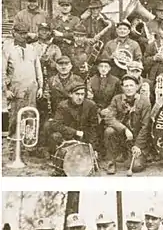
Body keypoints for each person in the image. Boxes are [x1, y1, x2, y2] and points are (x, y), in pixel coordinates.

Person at [2, 22, 43, 151]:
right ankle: (14, 145)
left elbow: (38, 68)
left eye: (25, 33)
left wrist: (40, 86)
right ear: (13, 33)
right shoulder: (7, 49)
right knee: (15, 115)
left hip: (32, 87)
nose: (23, 36)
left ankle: (29, 144)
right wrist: (6, 90)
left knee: (31, 114)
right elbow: (2, 70)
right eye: (20, 33)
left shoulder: (32, 49)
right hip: (16, 87)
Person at [101, 74, 151, 174]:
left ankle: (128, 155)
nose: (129, 88)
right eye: (126, 86)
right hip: (121, 137)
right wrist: (124, 129)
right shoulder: (117, 99)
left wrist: (138, 146)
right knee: (109, 131)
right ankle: (111, 162)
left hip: (136, 139)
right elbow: (109, 118)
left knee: (136, 167)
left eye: (131, 85)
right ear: (122, 87)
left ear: (137, 87)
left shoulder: (144, 101)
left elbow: (145, 126)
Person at [45, 81, 99, 156]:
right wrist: (75, 132)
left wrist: (93, 148)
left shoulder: (91, 105)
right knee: (55, 136)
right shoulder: (63, 106)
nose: (80, 97)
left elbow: (93, 128)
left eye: (82, 94)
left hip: (83, 137)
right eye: (77, 94)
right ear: (70, 94)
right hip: (67, 137)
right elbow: (56, 124)